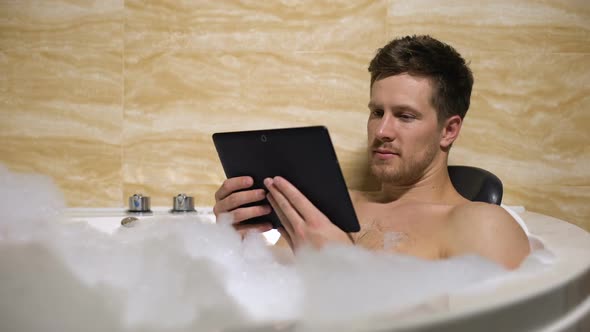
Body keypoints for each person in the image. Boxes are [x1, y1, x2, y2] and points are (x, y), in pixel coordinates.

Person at [213, 35, 530, 269]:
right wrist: (236, 242)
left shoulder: (479, 224)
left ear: (449, 130)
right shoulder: (334, 206)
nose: (381, 131)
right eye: (377, 112)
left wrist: (342, 268)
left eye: (405, 116)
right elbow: (265, 292)